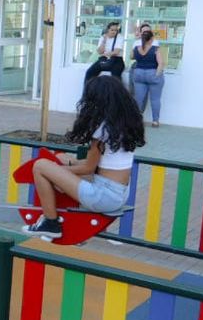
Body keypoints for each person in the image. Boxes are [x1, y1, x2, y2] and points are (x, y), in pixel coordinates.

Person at [25, 76, 145, 239]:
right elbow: (101, 164)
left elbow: (88, 168)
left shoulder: (103, 129)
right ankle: (74, 224)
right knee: (63, 165)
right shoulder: (124, 126)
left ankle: (50, 222)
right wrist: (69, 162)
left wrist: (58, 171)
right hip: (119, 194)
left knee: (40, 166)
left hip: (103, 196)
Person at [128, 25, 166, 126]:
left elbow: (131, 56)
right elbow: (161, 63)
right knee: (155, 99)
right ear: (152, 38)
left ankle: (136, 120)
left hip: (138, 73)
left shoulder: (137, 47)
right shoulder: (155, 48)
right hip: (152, 72)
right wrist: (157, 74)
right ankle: (155, 121)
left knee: (138, 99)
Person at [84, 22, 126, 87]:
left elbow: (116, 52)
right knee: (89, 73)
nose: (114, 32)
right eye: (112, 30)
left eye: (115, 30)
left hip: (117, 60)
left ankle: (116, 95)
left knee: (115, 77)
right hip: (104, 59)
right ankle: (87, 93)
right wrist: (104, 41)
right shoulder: (103, 37)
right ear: (108, 30)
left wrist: (106, 54)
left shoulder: (119, 37)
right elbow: (99, 51)